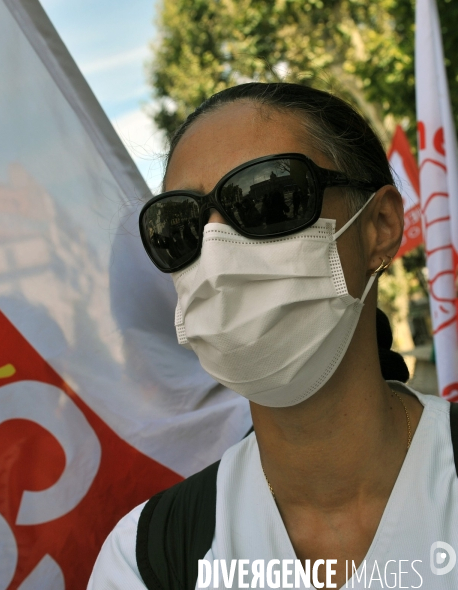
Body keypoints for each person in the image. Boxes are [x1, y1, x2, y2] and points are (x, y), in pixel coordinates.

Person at [88, 83, 458, 589]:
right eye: (179, 226)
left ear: (381, 225)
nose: (216, 254)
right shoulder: (146, 559)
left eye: (267, 198)